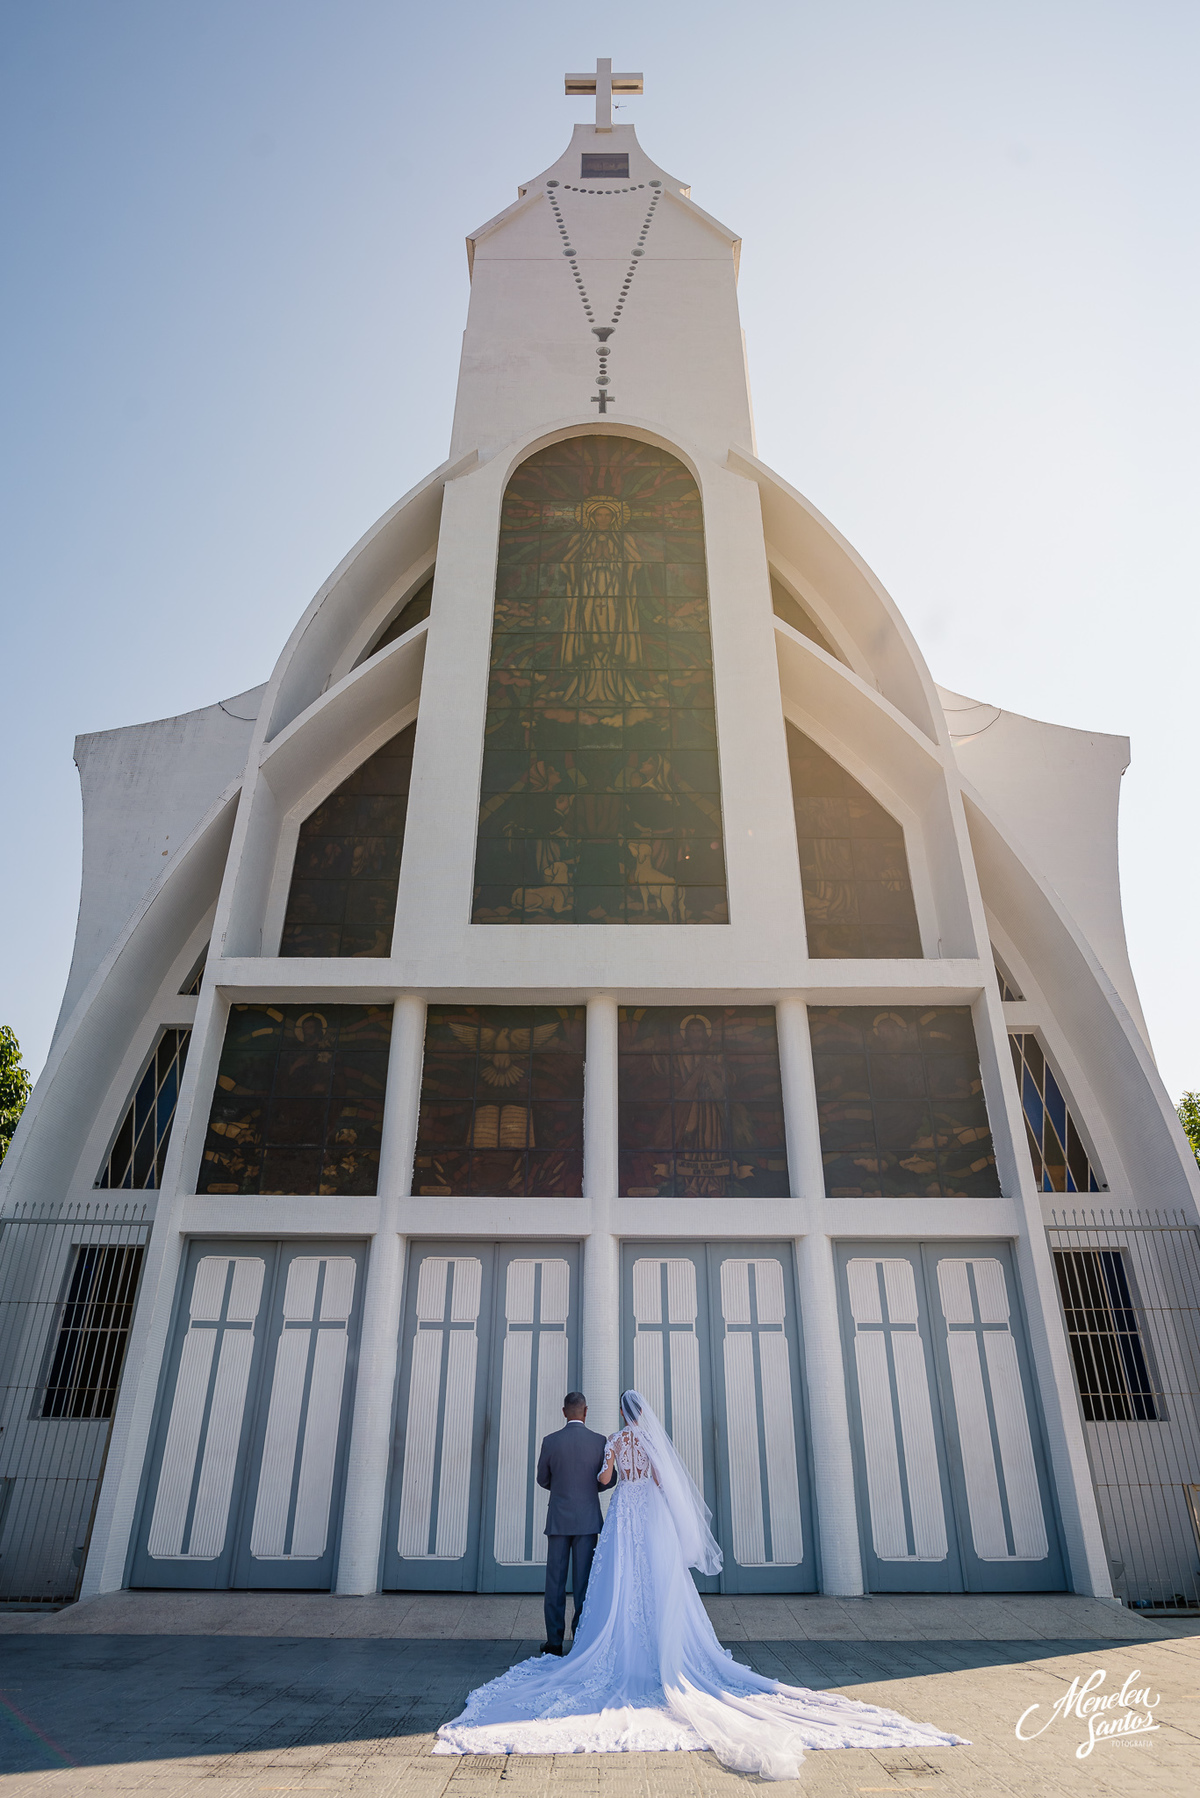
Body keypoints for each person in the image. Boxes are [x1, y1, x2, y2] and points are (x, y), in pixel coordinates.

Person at [436, 1390, 966, 1779]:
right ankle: (643, 1641)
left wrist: (607, 1476)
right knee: (652, 1580)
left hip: (614, 1514)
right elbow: (662, 1482)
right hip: (646, 1514)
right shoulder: (642, 1440)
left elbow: (603, 1480)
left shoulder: (609, 1442)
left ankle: (572, 1641)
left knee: (603, 1580)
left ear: (612, 1415)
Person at [534, 1390, 614, 1655]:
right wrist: (589, 1490)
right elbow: (608, 1480)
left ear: (564, 1412)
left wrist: (561, 1488)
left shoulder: (550, 1441)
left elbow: (542, 1479)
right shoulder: (599, 1441)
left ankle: (554, 1642)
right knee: (584, 1582)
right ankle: (580, 1638)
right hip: (588, 1520)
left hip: (558, 1519)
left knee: (554, 1582)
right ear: (586, 1411)